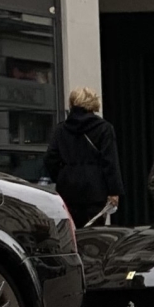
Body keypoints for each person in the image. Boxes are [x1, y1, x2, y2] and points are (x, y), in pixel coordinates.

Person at [45, 87, 123, 226]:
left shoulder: (61, 129)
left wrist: (63, 175)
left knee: (72, 232)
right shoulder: (104, 128)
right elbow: (110, 162)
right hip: (95, 190)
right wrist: (114, 191)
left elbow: (50, 159)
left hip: (68, 190)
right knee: (95, 233)